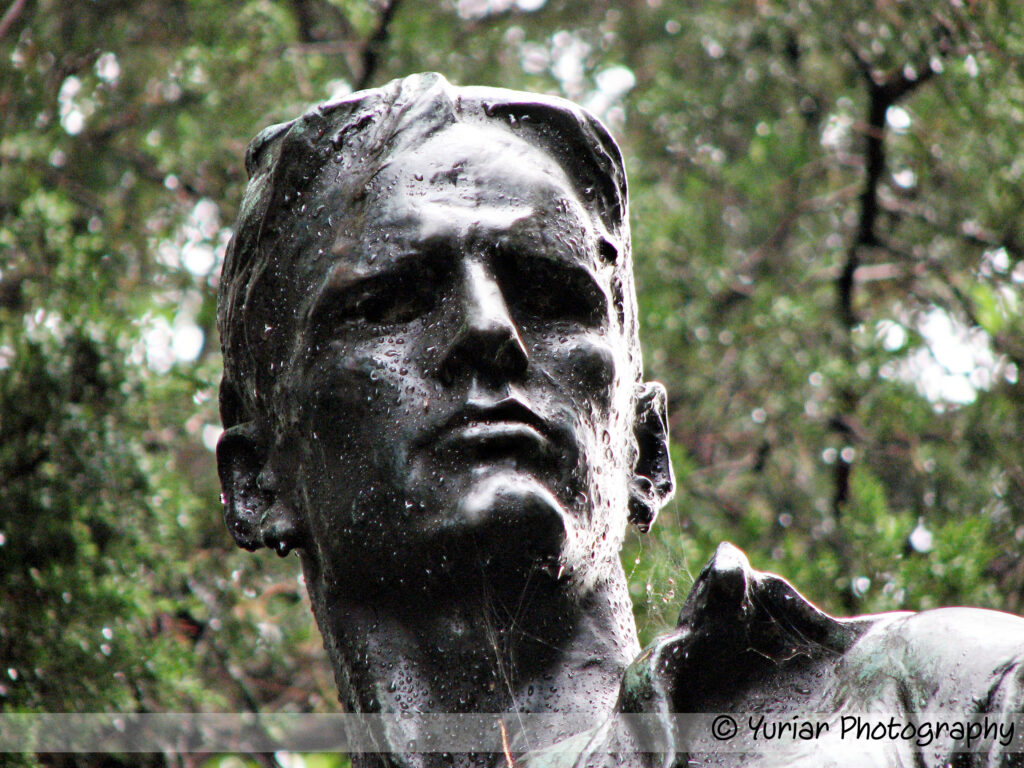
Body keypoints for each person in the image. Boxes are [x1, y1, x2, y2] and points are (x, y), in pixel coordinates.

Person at [216, 73, 1024, 768]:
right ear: (254, 482)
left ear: (646, 449)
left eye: (551, 298)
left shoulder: (937, 703)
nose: (490, 330)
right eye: (390, 303)